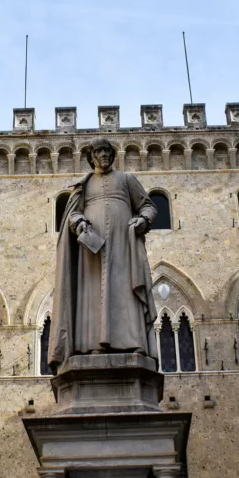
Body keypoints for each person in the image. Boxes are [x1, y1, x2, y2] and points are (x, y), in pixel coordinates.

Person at [49, 137, 159, 371]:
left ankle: (134, 342)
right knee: (92, 295)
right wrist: (79, 222)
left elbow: (148, 205)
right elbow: (73, 213)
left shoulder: (127, 180)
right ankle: (91, 345)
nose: (103, 155)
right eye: (98, 151)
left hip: (123, 247)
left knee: (126, 290)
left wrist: (143, 219)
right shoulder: (84, 185)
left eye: (107, 151)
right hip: (92, 252)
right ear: (91, 157)